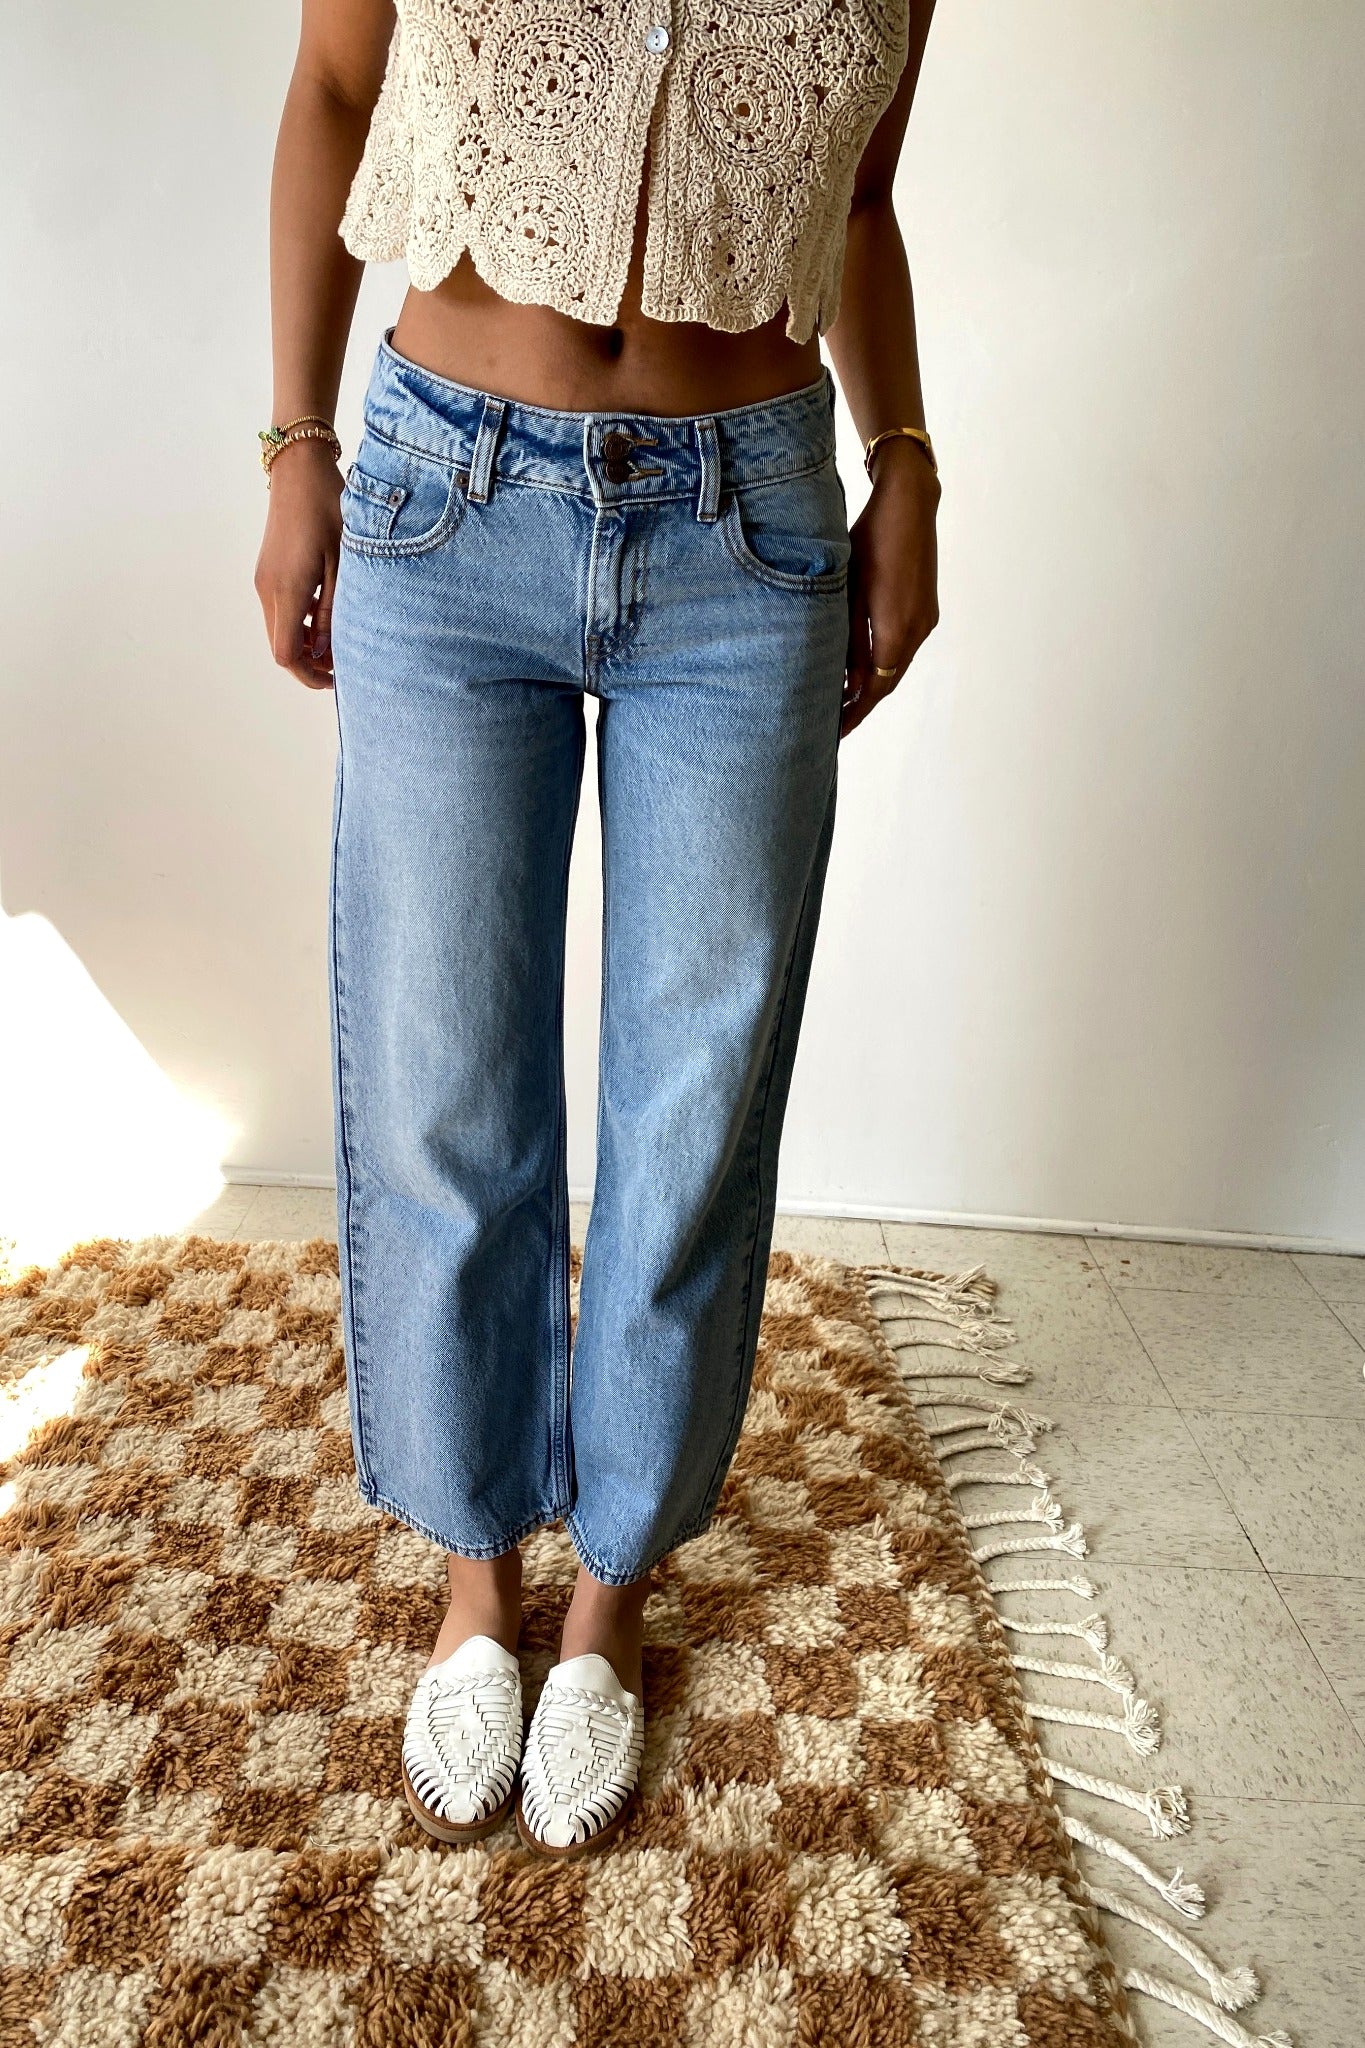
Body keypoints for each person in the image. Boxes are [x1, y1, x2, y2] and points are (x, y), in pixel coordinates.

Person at [254, 0, 940, 1857]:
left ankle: (609, 1600)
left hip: (752, 528)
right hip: (439, 500)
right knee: (442, 1072)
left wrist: (910, 465)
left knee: (692, 1094)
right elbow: (333, 87)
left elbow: (855, 196)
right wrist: (295, 441)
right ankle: (477, 1581)